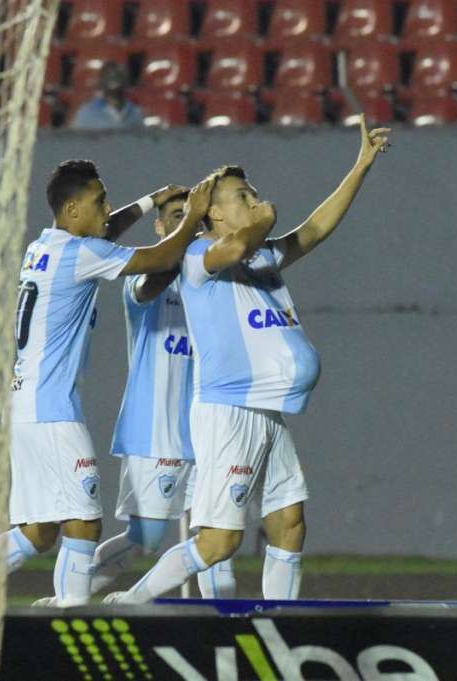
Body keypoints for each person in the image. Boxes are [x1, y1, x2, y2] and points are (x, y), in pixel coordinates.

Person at [104, 116, 390, 604]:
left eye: (255, 194)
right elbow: (238, 241)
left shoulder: (260, 257)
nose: (256, 201)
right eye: (244, 196)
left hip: (266, 409)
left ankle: (280, 619)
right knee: (218, 543)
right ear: (213, 215)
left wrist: (360, 165)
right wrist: (268, 213)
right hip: (230, 410)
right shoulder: (197, 254)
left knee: (289, 522)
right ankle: (127, 604)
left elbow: (316, 228)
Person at [0, 161, 214, 607]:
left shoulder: (44, 247)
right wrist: (194, 216)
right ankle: (71, 620)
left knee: (38, 531)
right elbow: (160, 258)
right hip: (53, 411)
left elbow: (101, 234)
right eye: (99, 200)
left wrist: (148, 202)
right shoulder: (82, 254)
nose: (107, 208)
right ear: (71, 207)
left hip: (24, 405)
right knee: (83, 524)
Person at [89, 191, 235, 600]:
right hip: (158, 433)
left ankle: (219, 629)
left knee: (218, 541)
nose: (185, 225)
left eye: (194, 219)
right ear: (159, 226)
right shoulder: (142, 281)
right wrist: (186, 236)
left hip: (210, 430)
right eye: (175, 217)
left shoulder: (214, 284)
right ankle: (70, 596)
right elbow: (157, 276)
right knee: (144, 539)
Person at [70, 62, 145, 131]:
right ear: (100, 82)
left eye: (118, 75)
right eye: (109, 75)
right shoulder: (86, 113)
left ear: (126, 81)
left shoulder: (135, 113)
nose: (113, 77)